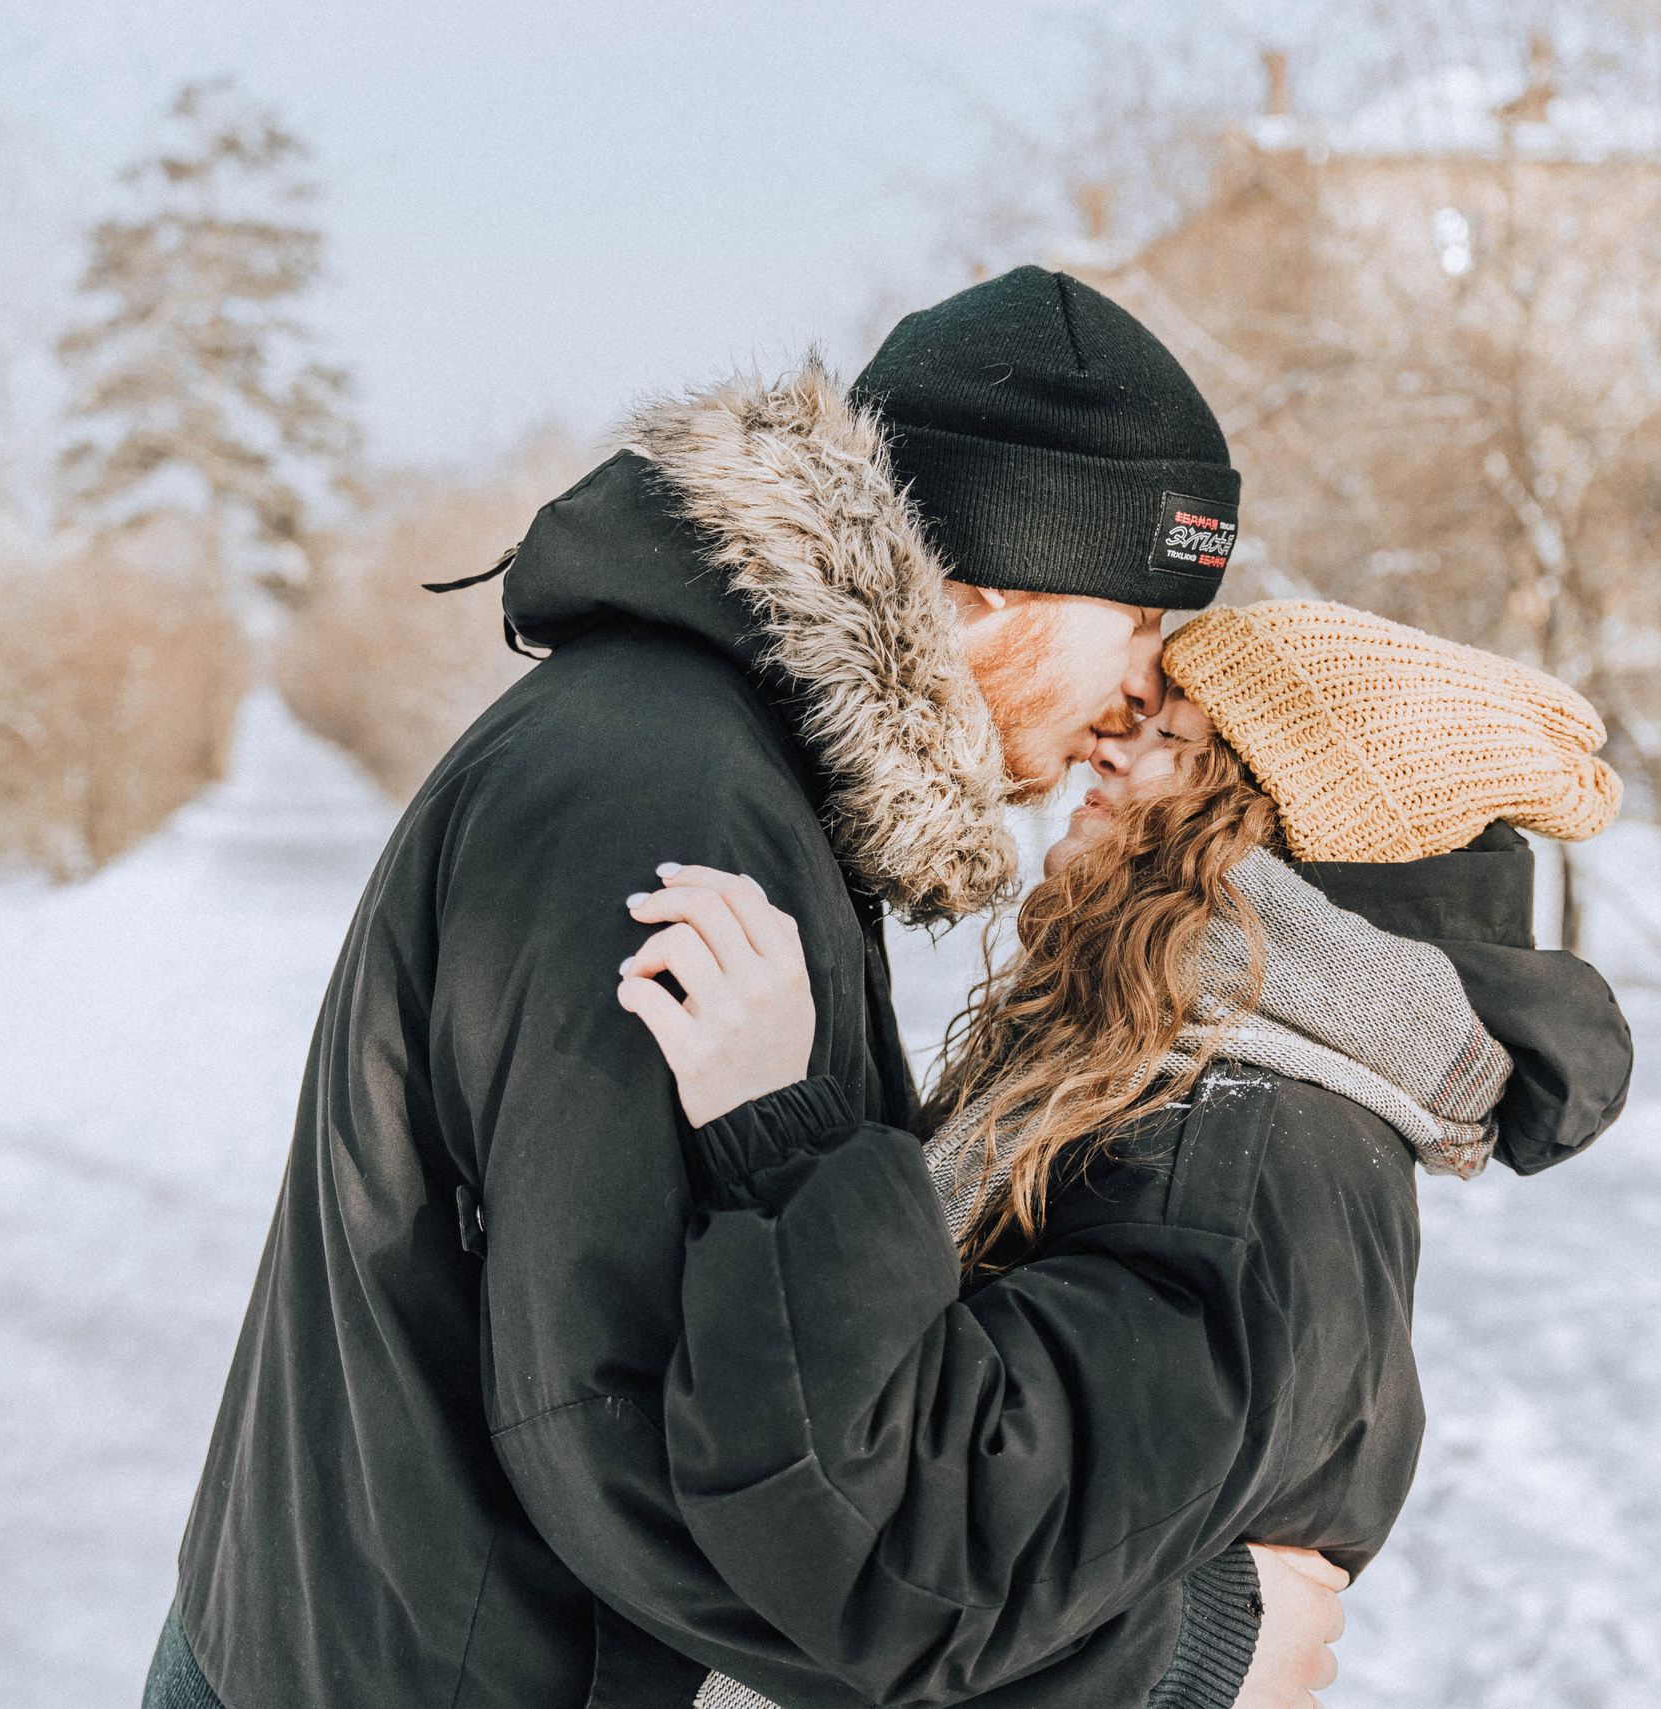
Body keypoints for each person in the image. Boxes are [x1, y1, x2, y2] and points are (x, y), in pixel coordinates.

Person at [147, 268, 1318, 1709]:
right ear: (989, 594)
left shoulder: (714, 754)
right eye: (1140, 623)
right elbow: (623, 1428)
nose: (1145, 693)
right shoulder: (670, 807)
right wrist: (1173, 1659)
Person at [615, 600, 1636, 1709]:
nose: (1105, 738)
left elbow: (920, 1550)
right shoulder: (1151, 1068)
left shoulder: (1243, 1148)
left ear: (1275, 832)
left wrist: (779, 1129)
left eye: (1175, 738)